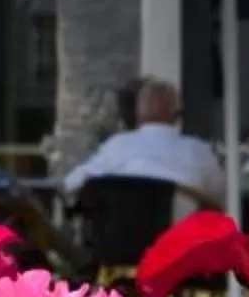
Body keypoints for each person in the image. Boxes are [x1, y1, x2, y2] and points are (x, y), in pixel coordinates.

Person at [62, 75, 226, 213]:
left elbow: (72, 183)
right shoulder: (198, 151)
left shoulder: (116, 147)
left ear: (138, 114)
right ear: (177, 116)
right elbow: (220, 195)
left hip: (120, 238)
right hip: (180, 238)